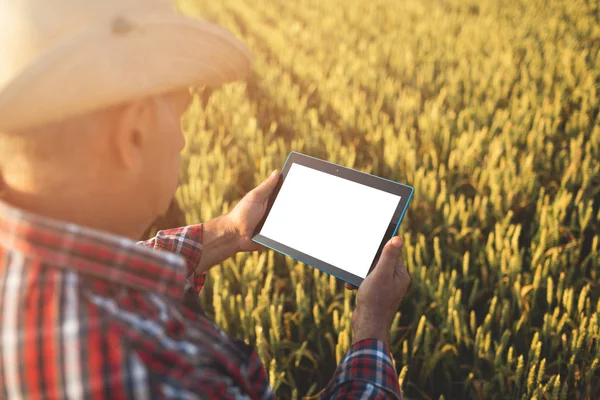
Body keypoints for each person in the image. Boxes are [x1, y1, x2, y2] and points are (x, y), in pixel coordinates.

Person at [0, 0, 411, 398]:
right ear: (135, 133)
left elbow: (101, 269)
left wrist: (230, 232)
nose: (181, 139)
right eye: (180, 113)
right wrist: (371, 329)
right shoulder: (167, 374)